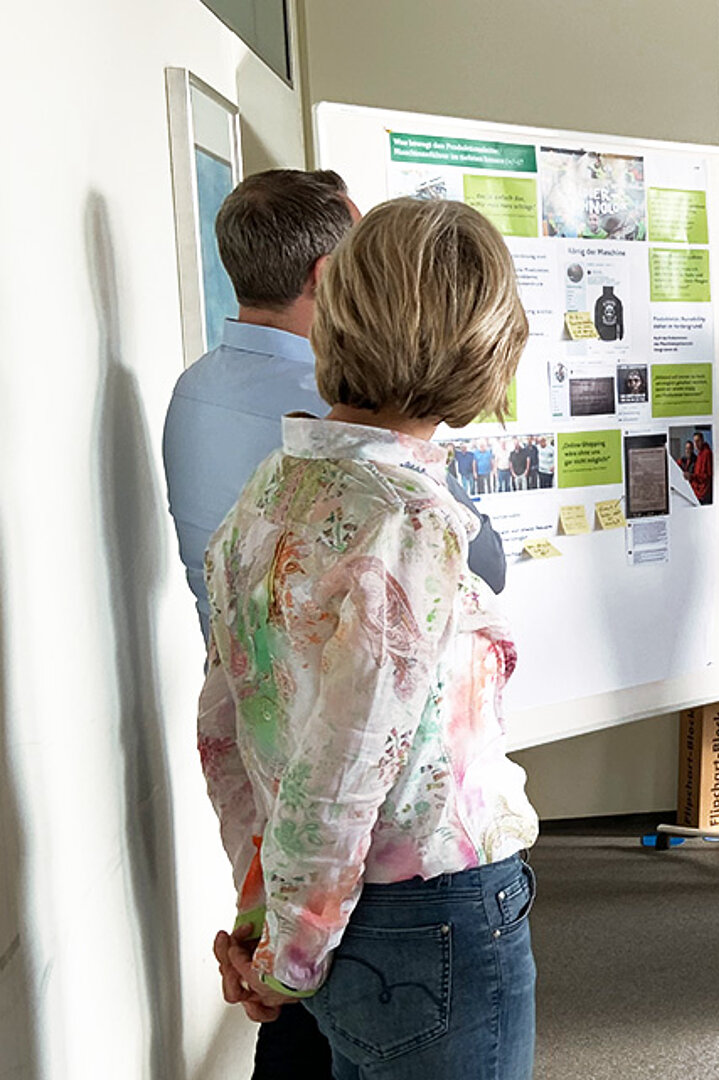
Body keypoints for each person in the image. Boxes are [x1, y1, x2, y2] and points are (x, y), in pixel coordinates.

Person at [159, 169, 506, 1078]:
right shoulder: (411, 521)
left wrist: (264, 920)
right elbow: (342, 774)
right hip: (431, 913)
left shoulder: (269, 491)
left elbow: (225, 731)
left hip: (328, 908)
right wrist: (285, 961)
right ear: (478, 342)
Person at [687, 430, 713, 504]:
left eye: (698, 441)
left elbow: (707, 475)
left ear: (702, 441)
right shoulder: (699, 454)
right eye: (695, 442)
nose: (696, 444)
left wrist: (692, 476)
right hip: (699, 491)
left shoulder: (707, 454)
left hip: (704, 493)